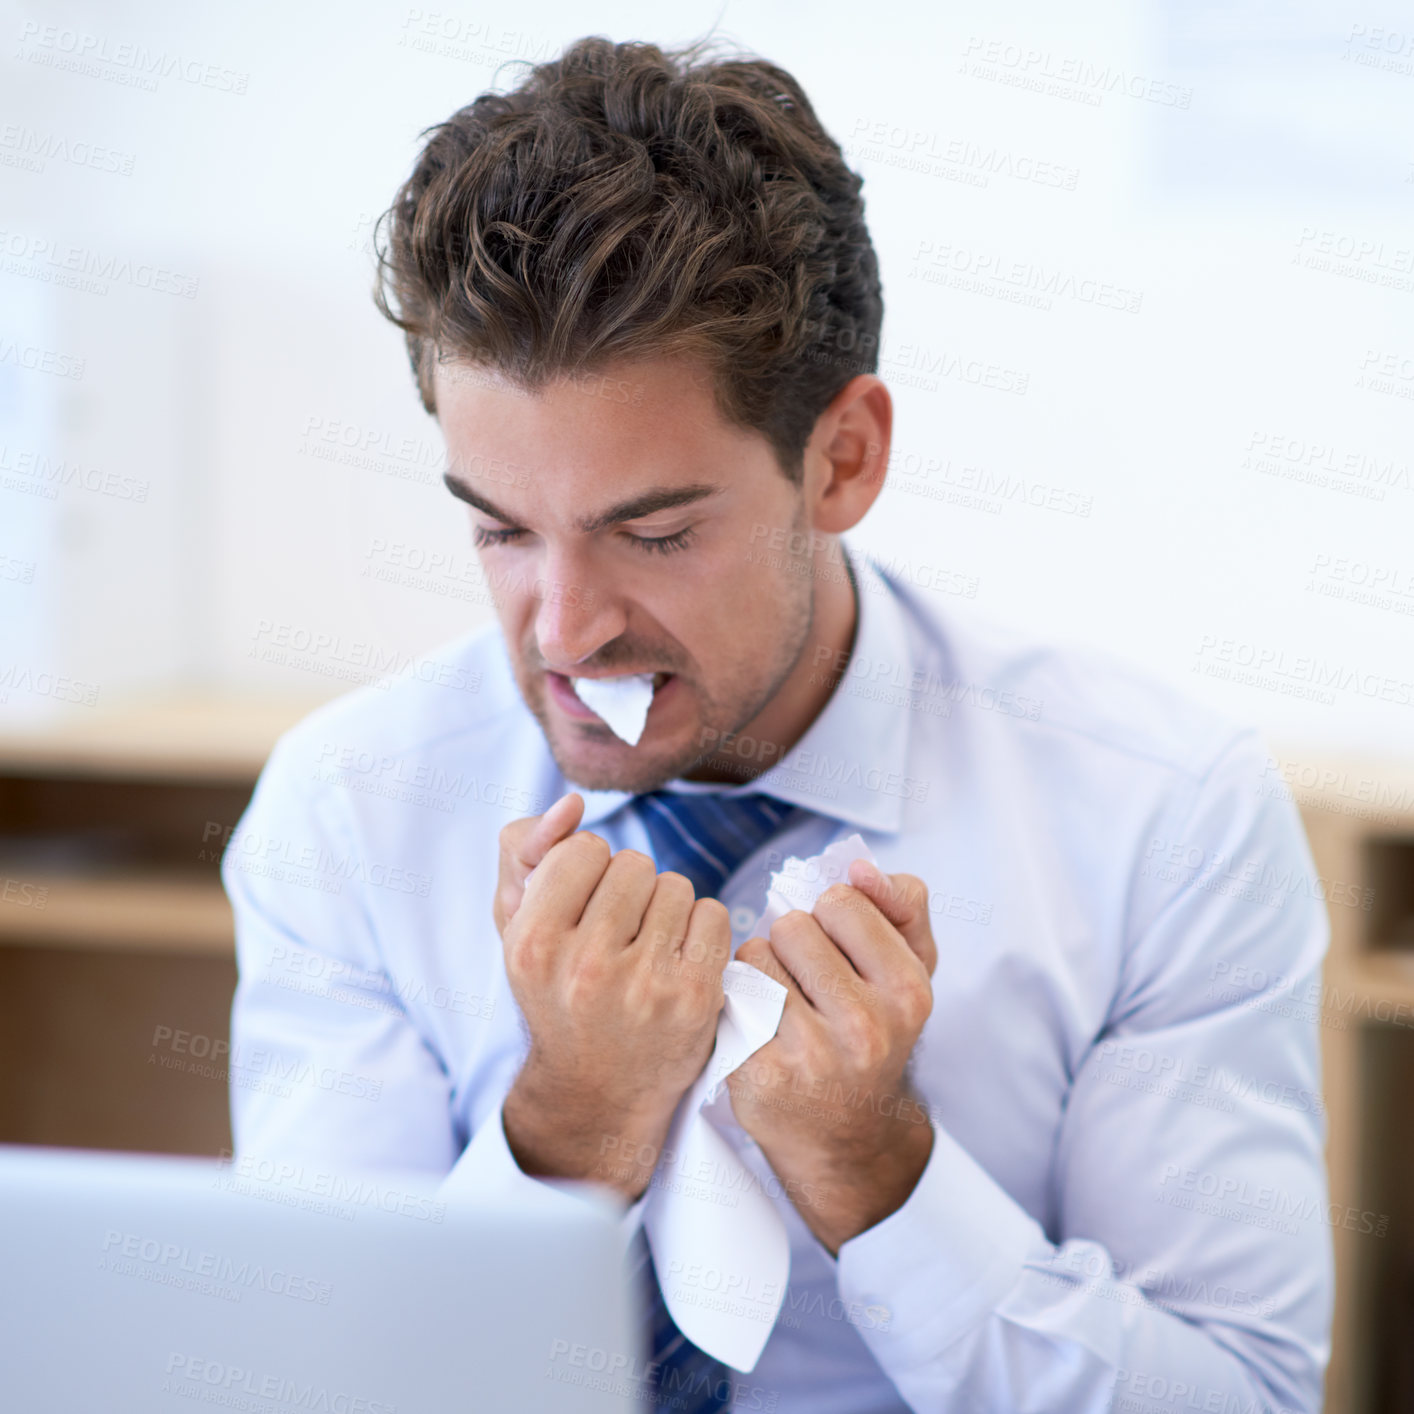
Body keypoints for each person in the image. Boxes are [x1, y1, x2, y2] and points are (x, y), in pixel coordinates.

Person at [223, 34, 1332, 1413]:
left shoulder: (1161, 818)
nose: (564, 630)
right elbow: (308, 1387)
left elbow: (1238, 1398)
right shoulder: (351, 808)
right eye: (502, 529)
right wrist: (571, 1128)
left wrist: (878, 1171)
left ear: (842, 459)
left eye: (657, 531)